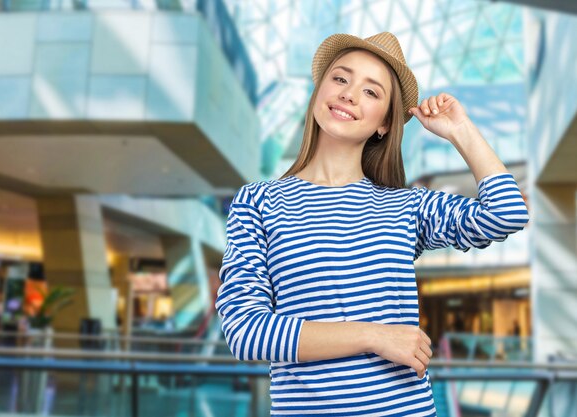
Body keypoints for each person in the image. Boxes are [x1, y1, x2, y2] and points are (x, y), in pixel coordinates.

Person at [215, 32, 529, 416]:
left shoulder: (403, 207)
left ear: (384, 124)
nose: (349, 94)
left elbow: (506, 213)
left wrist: (460, 130)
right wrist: (374, 336)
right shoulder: (259, 202)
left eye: (371, 92)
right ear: (319, 92)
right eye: (341, 79)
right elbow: (245, 332)